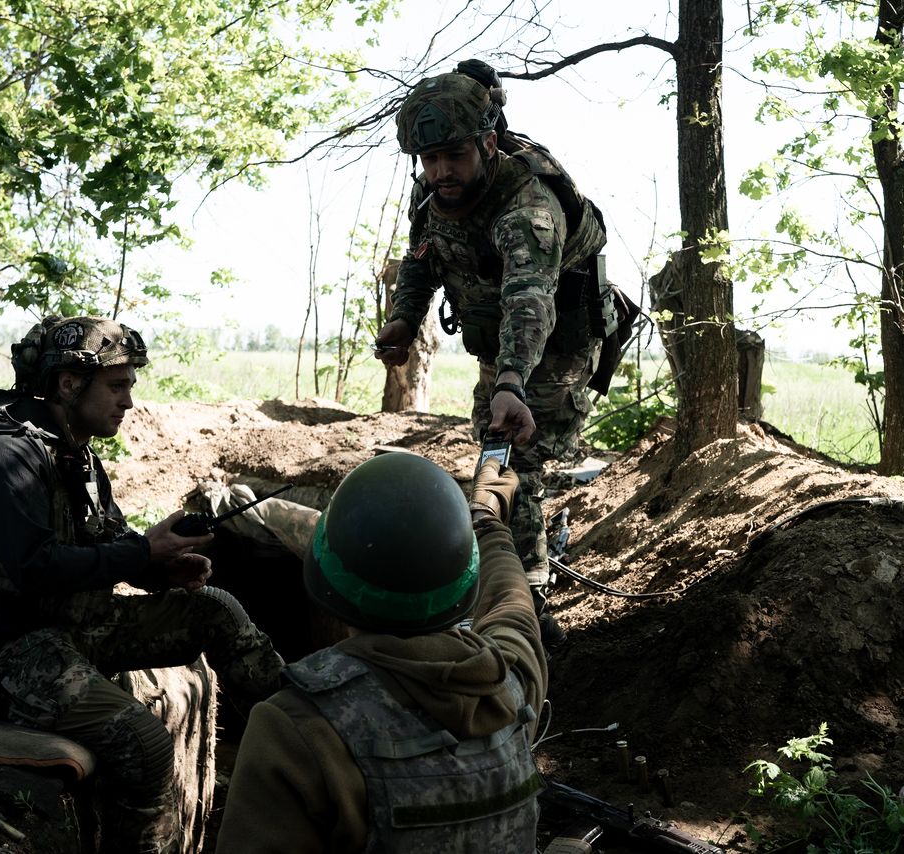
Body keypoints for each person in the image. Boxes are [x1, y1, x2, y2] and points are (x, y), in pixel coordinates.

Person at [0, 315, 283, 853]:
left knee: (214, 610)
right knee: (145, 744)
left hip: (68, 626)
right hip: (2, 654)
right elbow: (35, 567)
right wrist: (141, 551)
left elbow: (104, 543)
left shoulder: (72, 451)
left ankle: (307, 723)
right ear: (68, 384)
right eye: (118, 385)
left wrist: (157, 567)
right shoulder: (3, 455)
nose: (129, 401)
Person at [374, 60, 613, 646]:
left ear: (486, 143)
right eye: (429, 161)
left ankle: (526, 607)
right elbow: (423, 257)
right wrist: (405, 317)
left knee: (516, 464)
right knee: (496, 453)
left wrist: (510, 380)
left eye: (453, 156)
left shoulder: (527, 210)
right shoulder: (433, 192)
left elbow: (531, 302)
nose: (440, 172)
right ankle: (508, 579)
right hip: (502, 348)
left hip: (552, 351)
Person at [215, 452, 547, 852]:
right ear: (464, 588)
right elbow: (514, 611)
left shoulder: (296, 729)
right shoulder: (511, 688)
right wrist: (486, 523)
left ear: (326, 584)